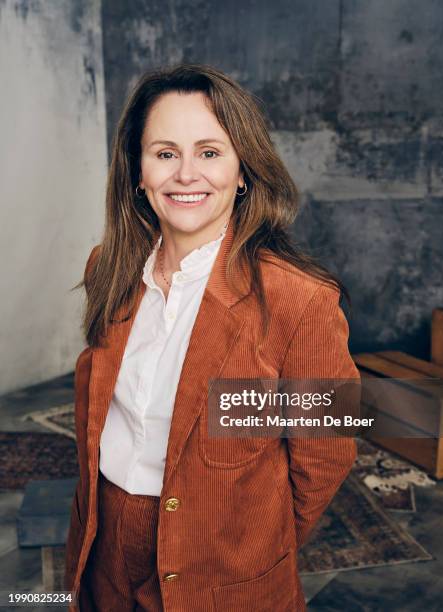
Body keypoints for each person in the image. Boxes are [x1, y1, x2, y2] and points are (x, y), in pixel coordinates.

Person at [64, 63, 360, 612]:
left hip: (219, 566)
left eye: (209, 152)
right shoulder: (109, 266)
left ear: (243, 170)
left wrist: (253, 549)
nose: (185, 175)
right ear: (138, 171)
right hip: (102, 539)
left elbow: (325, 457)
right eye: (165, 153)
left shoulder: (302, 300)